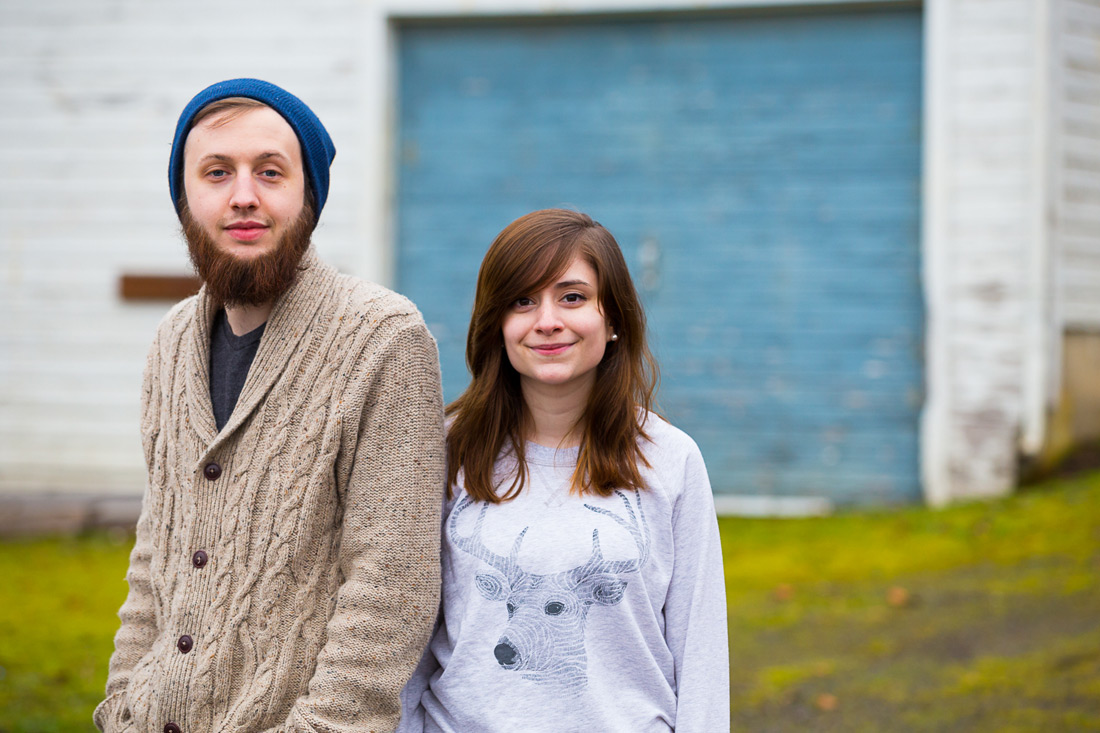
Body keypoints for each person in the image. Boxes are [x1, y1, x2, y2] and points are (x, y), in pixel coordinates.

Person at [95, 79, 445, 732]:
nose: (244, 195)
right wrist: (122, 704)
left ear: (308, 195)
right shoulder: (171, 341)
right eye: (217, 172)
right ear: (184, 198)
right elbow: (155, 558)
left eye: (270, 171)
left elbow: (392, 590)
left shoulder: (383, 337)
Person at [399, 209, 729, 732]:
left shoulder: (669, 459)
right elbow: (403, 637)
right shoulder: (440, 451)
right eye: (522, 301)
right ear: (497, 325)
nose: (547, 321)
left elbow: (701, 647)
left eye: (572, 297)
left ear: (613, 318)